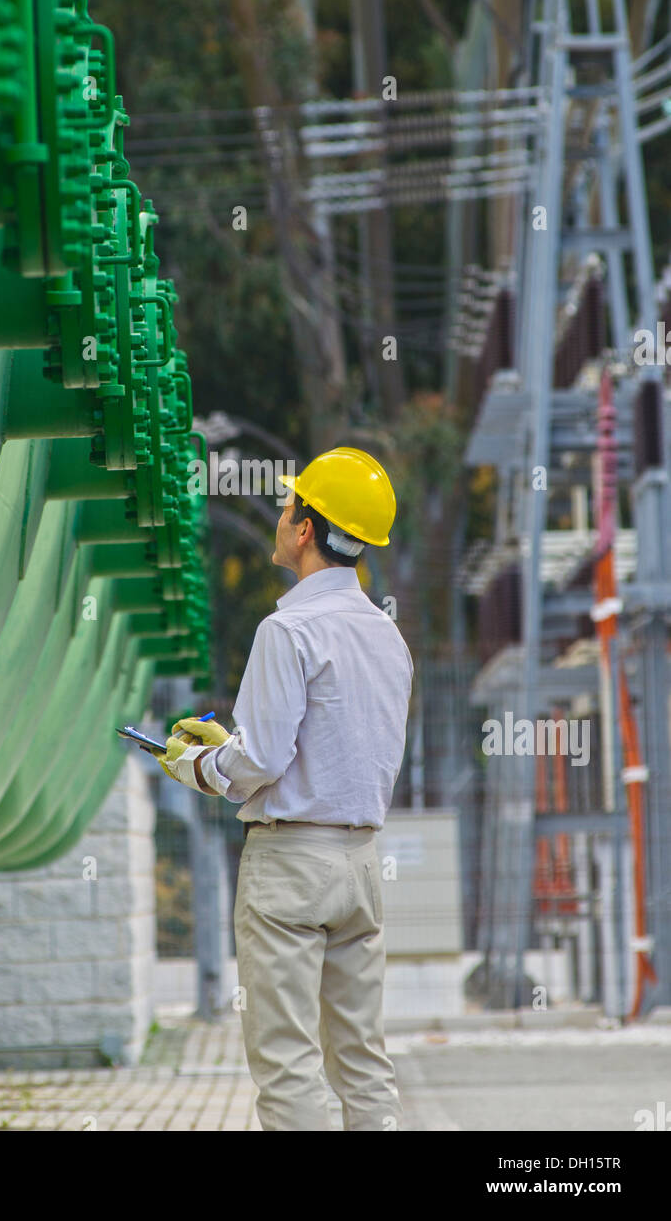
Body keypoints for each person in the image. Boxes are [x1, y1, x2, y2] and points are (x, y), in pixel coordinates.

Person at [158, 446, 413, 1131]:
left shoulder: (287, 629)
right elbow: (338, 748)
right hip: (360, 863)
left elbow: (264, 760)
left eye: (288, 505)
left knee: (287, 1063)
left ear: (306, 529)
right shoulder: (389, 639)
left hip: (289, 867)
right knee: (362, 1061)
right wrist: (235, 747)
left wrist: (200, 766)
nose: (280, 513)